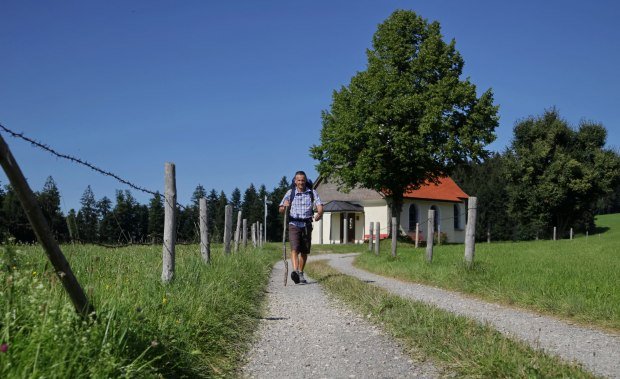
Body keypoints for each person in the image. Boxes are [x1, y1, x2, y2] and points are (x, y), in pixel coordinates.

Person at [279, 171, 323, 284]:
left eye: (303, 180)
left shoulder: (312, 192)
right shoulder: (290, 193)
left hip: (307, 225)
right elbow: (281, 210)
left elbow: (319, 206)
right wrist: (284, 206)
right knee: (294, 249)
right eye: (298, 180)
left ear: (305, 180)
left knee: (304, 251)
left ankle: (301, 272)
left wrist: (319, 213)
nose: (301, 182)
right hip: (294, 224)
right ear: (295, 181)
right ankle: (295, 272)